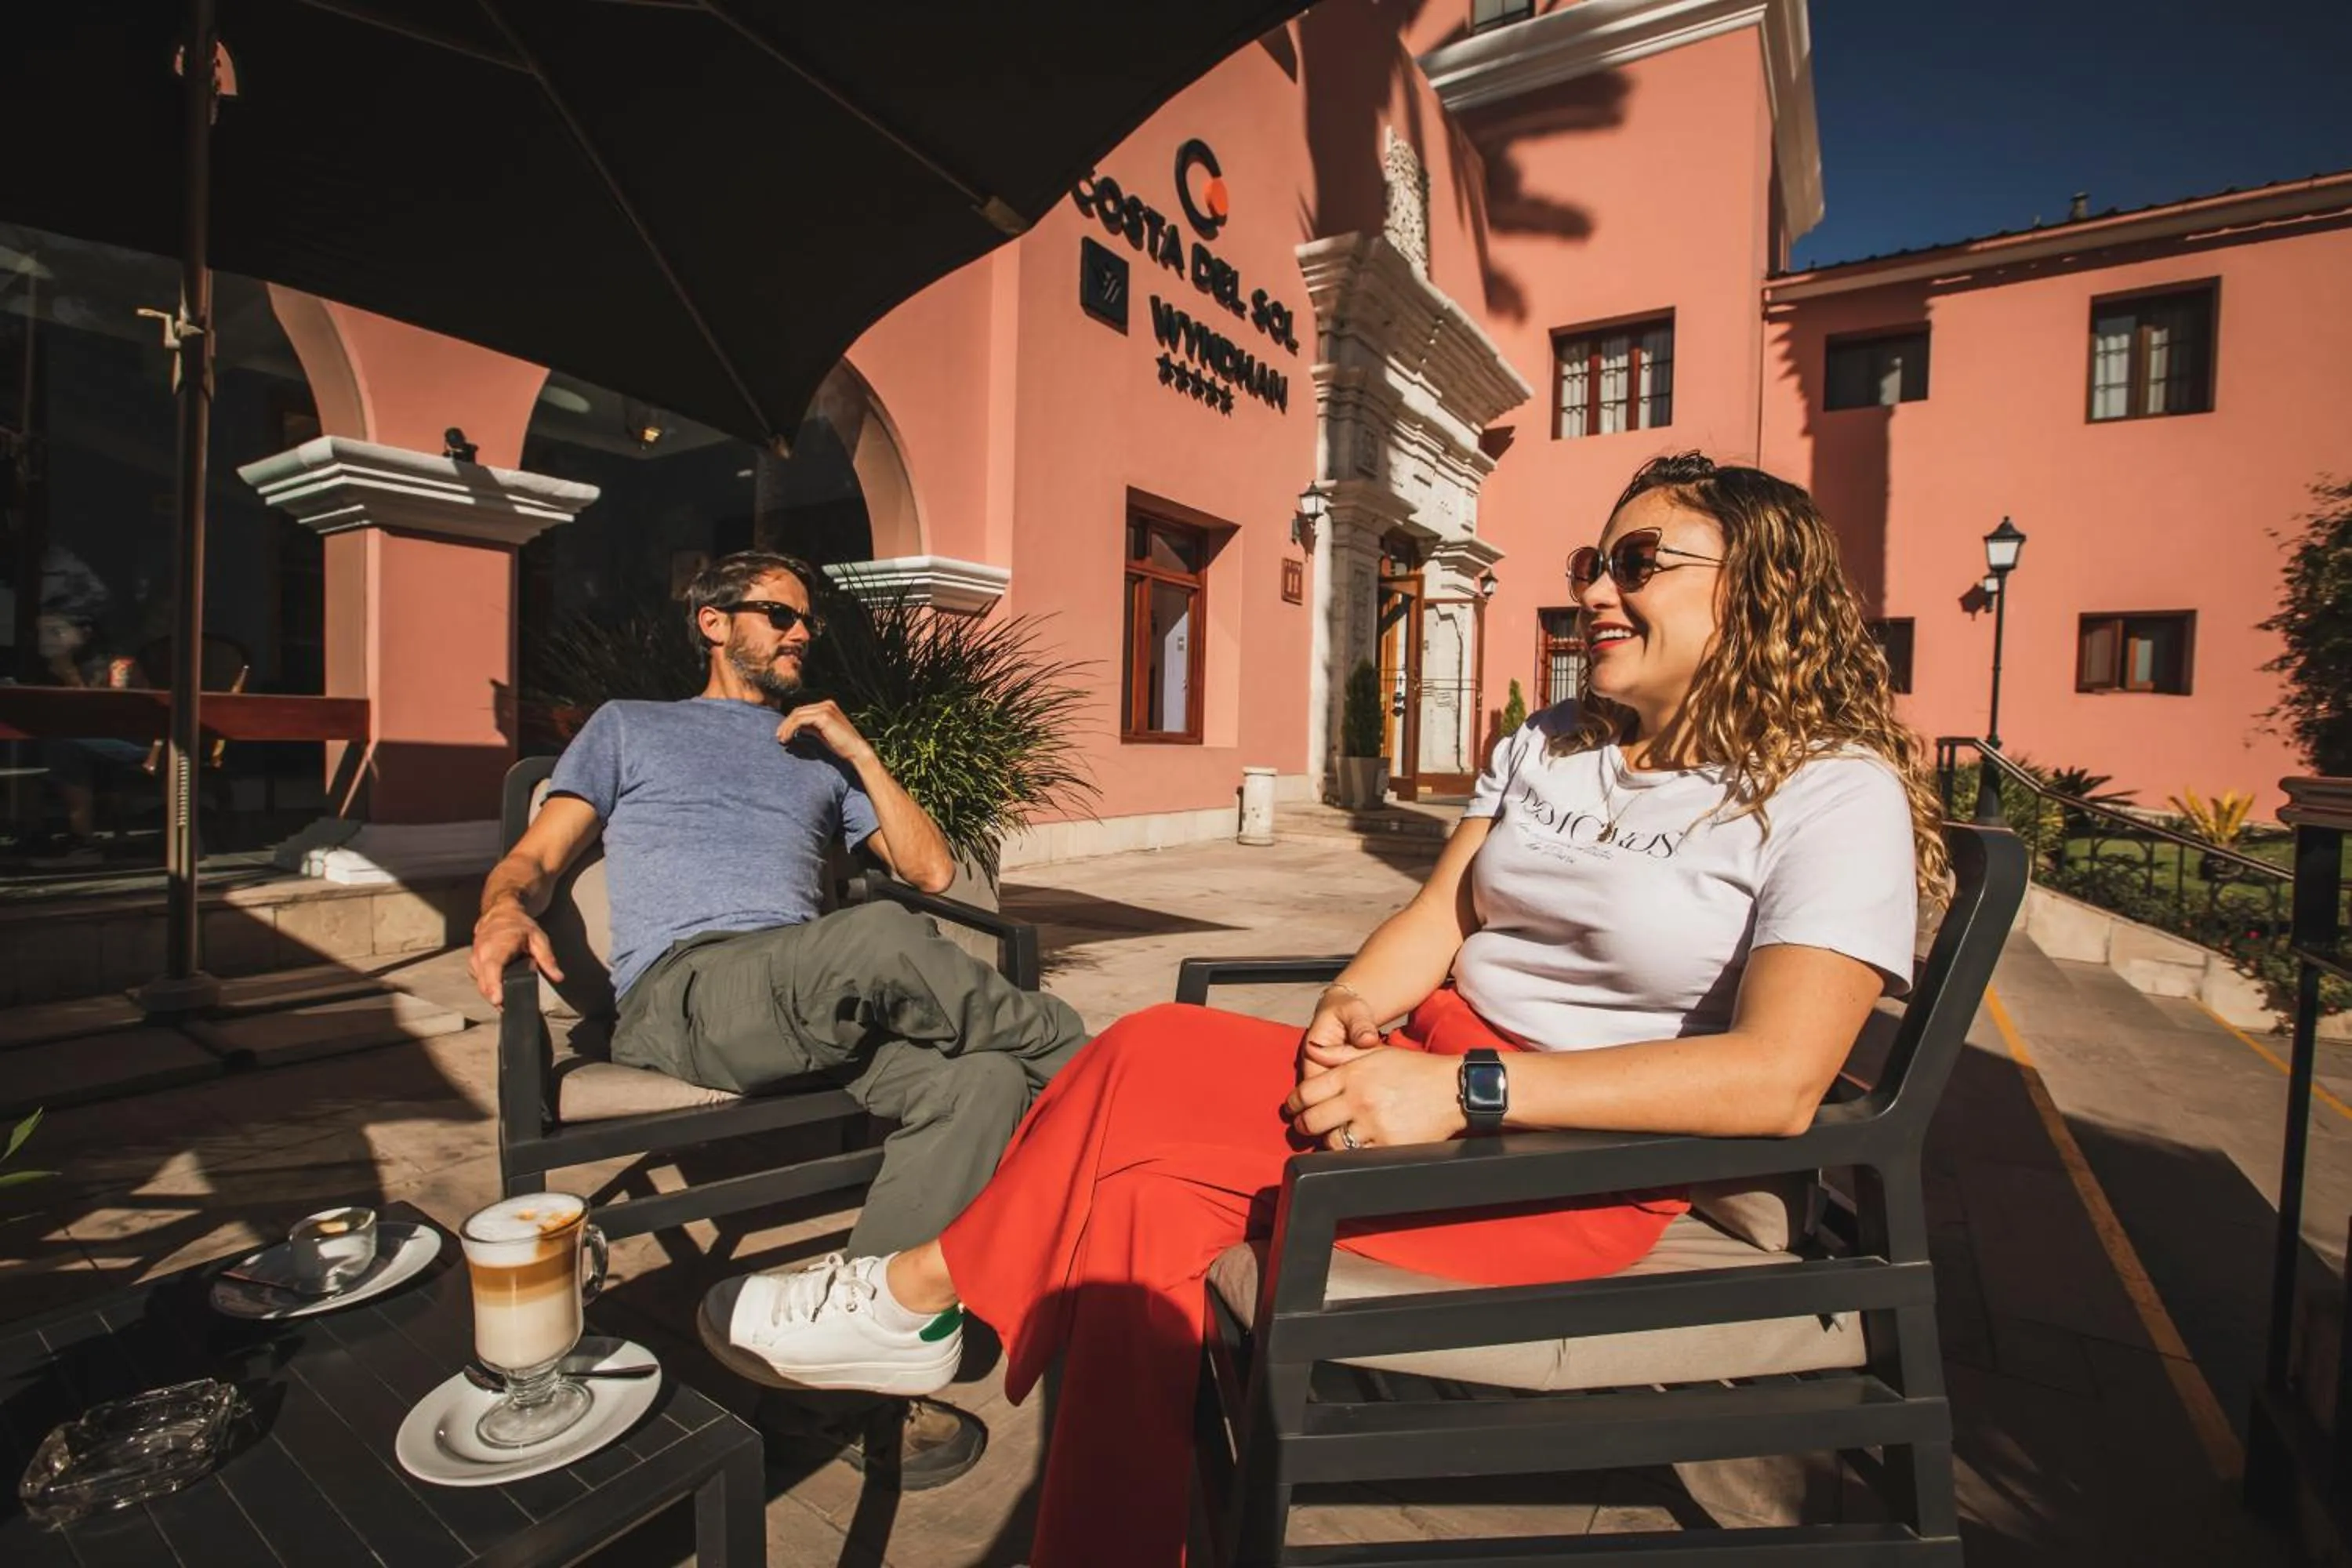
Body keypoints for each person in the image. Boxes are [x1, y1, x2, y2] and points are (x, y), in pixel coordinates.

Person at [699, 454, 1950, 1565]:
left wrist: (1463, 1093)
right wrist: (1355, 1004)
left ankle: (921, 1295)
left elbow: (1780, 1079)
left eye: (1638, 563)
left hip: (1579, 1156)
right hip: (1425, 1075)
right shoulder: (1561, 740)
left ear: (1764, 589)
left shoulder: (1830, 792)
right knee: (1138, 1194)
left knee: (1141, 1057)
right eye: (1590, 563)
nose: (1597, 593)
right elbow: (1444, 918)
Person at [469, 549, 1091, 1490]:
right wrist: (502, 905)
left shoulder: (815, 756)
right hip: (687, 993)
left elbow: (929, 872)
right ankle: (1090, 1066)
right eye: (778, 614)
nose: (802, 632)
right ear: (714, 623)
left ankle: (830, 1383)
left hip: (808, 997)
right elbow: (539, 855)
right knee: (879, 936)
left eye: (807, 621)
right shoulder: (631, 726)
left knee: (984, 1080)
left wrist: (862, 754)